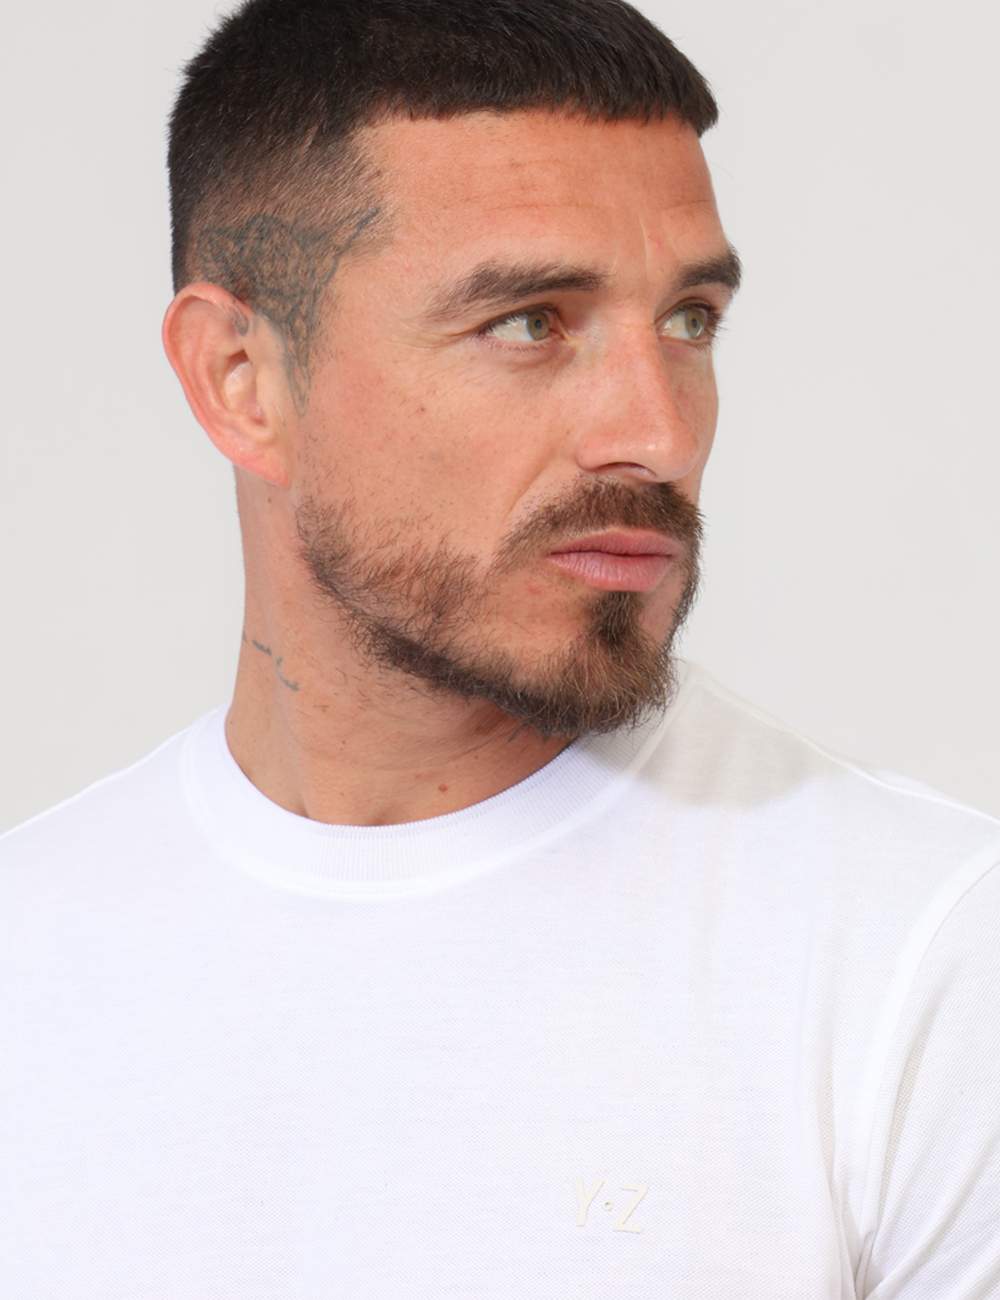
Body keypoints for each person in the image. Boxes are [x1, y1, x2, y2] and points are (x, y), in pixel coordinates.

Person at [1, 0, 997, 1294]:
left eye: (690, 319)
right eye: (531, 321)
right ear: (242, 379)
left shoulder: (927, 964)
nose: (658, 435)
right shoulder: (29, 955)